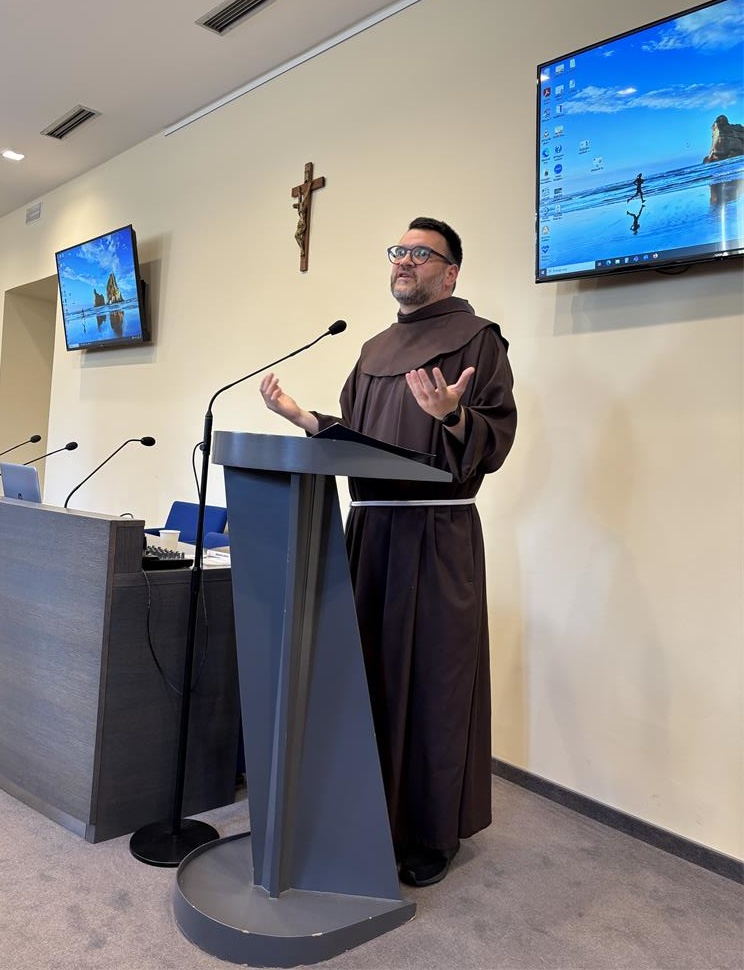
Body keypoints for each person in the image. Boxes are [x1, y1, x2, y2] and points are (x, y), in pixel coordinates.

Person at [259, 216, 517, 887]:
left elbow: (494, 435)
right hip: (369, 533)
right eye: (398, 250)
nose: (404, 260)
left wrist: (453, 416)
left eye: (420, 253)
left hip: (436, 535)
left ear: (450, 272)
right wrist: (305, 419)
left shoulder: (478, 340)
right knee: (364, 671)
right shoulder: (373, 350)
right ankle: (363, 809)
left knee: (433, 681)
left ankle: (430, 832)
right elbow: (362, 441)